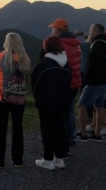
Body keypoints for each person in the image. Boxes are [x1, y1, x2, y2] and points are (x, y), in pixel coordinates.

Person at [0, 32, 31, 168]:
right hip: (19, 98)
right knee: (18, 128)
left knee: (2, 129)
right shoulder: (25, 58)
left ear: (7, 43)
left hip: (2, 99)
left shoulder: (0, 57)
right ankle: (17, 160)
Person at [31, 36, 72, 170]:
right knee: (60, 129)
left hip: (46, 103)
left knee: (47, 130)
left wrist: (37, 96)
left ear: (46, 47)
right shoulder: (66, 64)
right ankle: (59, 159)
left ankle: (48, 160)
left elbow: (36, 84)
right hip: (63, 102)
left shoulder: (44, 64)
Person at [47, 18, 81, 156]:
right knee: (69, 111)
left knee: (62, 114)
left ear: (58, 30)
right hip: (75, 82)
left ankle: (63, 142)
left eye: (53, 29)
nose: (51, 31)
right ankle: (70, 138)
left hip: (64, 83)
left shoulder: (60, 45)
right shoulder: (75, 43)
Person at [74, 23, 106, 143]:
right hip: (105, 80)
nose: (89, 33)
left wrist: (88, 80)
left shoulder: (97, 44)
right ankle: (97, 134)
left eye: (90, 30)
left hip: (95, 81)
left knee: (81, 105)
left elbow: (93, 64)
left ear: (96, 31)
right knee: (99, 106)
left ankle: (83, 134)